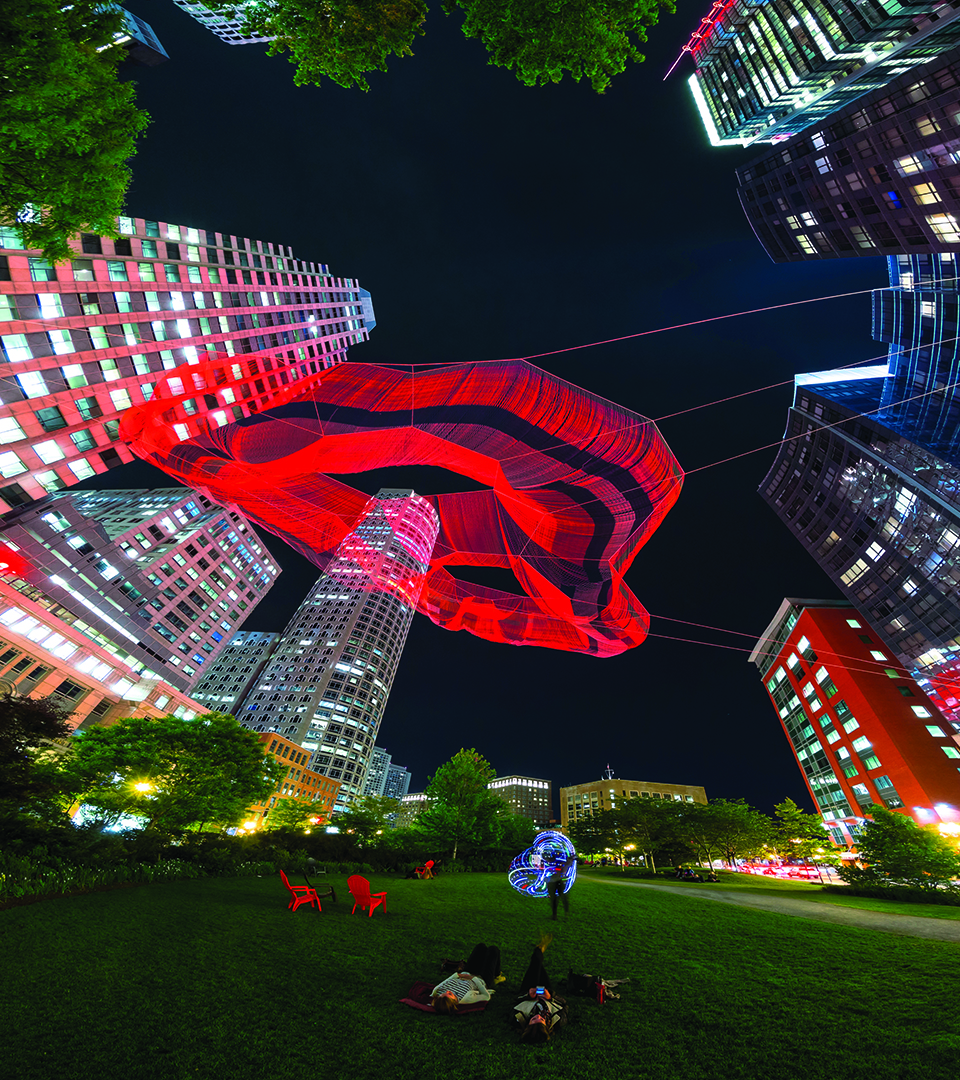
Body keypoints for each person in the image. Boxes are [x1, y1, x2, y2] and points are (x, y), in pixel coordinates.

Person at [514, 935, 565, 1042]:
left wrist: (528, 994)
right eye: (541, 1019)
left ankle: (539, 950)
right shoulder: (558, 1020)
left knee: (536, 965)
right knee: (538, 967)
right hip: (547, 992)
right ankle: (539, 950)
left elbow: (515, 1001)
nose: (537, 1015)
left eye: (533, 1019)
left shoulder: (518, 1018)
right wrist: (550, 996)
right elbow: (564, 1004)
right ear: (547, 1025)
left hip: (528, 990)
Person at [430, 943, 501, 1013]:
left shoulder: (439, 992)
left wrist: (457, 975)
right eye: (450, 994)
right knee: (493, 950)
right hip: (482, 979)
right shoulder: (466, 998)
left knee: (481, 947)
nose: (447, 991)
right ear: (455, 1002)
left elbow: (447, 981)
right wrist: (473, 979)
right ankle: (497, 975)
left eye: (444, 993)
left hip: (466, 973)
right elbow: (486, 997)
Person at [546, 853, 576, 920]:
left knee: (558, 898)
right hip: (557, 881)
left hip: (556, 881)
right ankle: (561, 915)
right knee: (558, 898)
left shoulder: (556, 862)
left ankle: (558, 915)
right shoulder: (561, 862)